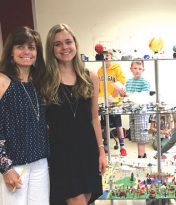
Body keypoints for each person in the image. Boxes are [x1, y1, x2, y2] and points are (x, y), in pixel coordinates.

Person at [44, 23, 107, 205]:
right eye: (58, 44)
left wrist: (101, 151)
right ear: (51, 48)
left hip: (86, 150)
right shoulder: (45, 80)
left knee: (87, 199)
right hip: (61, 153)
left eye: (68, 42)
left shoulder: (90, 77)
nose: (64, 47)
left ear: (75, 44)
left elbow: (94, 117)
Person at [0, 26, 50, 205]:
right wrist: (5, 168)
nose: (26, 51)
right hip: (15, 164)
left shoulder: (39, 83)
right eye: (20, 46)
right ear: (11, 52)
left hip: (40, 162)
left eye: (31, 47)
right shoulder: (3, 81)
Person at [98, 49, 127, 156]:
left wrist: (113, 96)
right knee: (105, 125)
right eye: (103, 55)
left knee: (118, 124)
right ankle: (105, 144)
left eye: (107, 55)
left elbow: (120, 83)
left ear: (111, 56)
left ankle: (123, 146)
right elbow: (99, 87)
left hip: (115, 102)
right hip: (103, 102)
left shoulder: (116, 68)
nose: (105, 57)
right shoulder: (100, 70)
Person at [125, 60, 151, 158]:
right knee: (135, 134)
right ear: (131, 69)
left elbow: (143, 97)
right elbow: (128, 97)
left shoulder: (145, 82)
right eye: (135, 68)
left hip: (141, 112)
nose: (137, 71)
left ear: (143, 70)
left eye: (140, 69)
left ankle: (141, 156)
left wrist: (130, 95)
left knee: (141, 135)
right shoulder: (128, 82)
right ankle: (141, 154)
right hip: (132, 110)